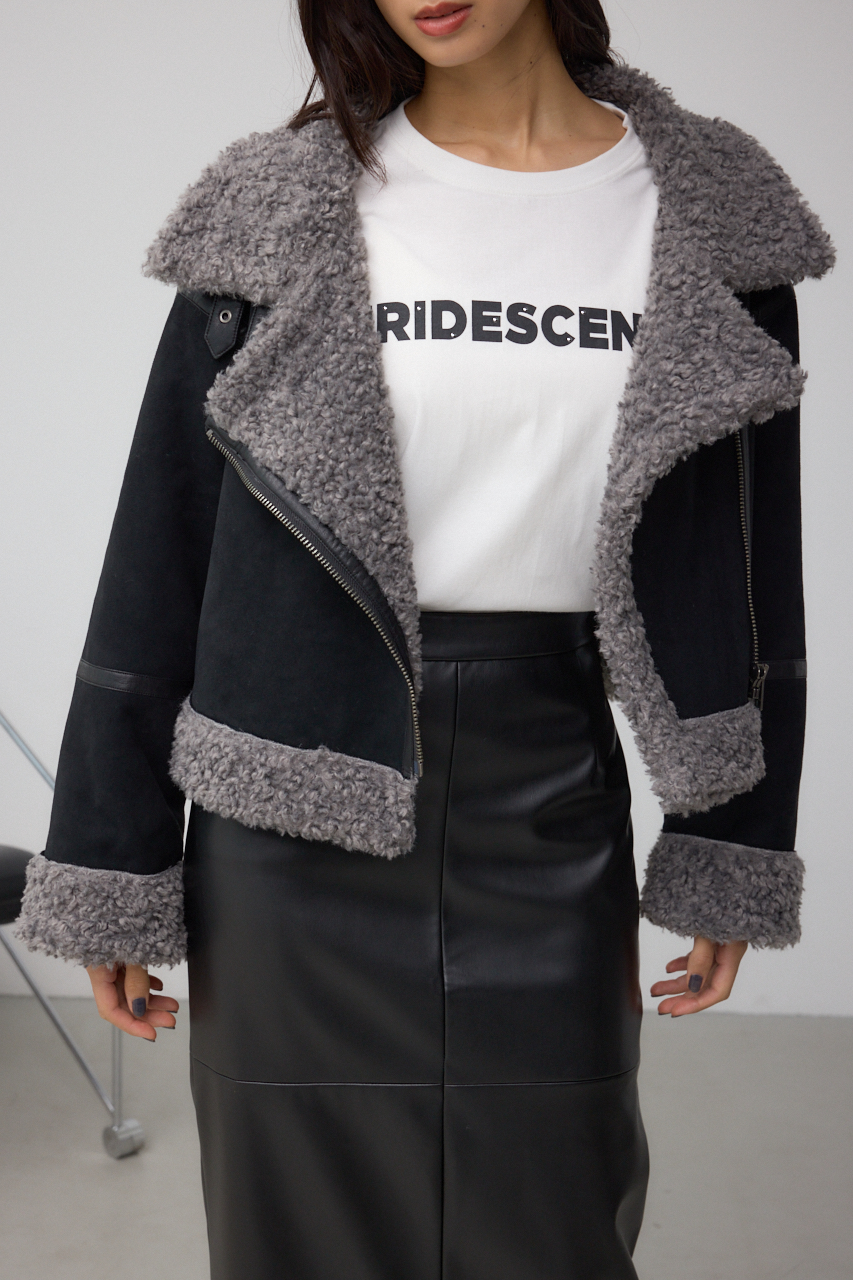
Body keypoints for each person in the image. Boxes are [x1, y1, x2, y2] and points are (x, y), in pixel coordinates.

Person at [18, 1, 833, 1276]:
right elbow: (159, 550)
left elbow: (751, 567)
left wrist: (733, 839)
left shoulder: (712, 218)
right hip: (288, 816)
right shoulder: (279, 205)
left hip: (549, 793)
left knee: (553, 1226)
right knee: (299, 1239)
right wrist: (109, 859)